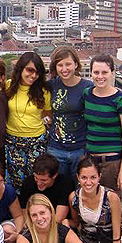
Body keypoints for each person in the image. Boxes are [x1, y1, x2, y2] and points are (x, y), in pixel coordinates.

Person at [83, 54, 122, 191]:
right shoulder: (87, 94)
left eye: (104, 72)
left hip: (111, 163)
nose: (100, 76)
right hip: (90, 161)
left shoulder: (121, 100)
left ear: (112, 73)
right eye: (96, 72)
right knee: (89, 202)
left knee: (110, 204)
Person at [4, 52, 52, 193]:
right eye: (30, 70)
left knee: (36, 181)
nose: (33, 75)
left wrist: (45, 122)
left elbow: (48, 114)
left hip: (36, 142)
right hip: (13, 142)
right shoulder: (9, 86)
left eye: (37, 72)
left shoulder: (44, 91)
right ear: (21, 69)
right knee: (15, 182)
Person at [47, 46, 94, 182]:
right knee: (58, 188)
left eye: (68, 64)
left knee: (80, 188)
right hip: (55, 147)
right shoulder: (51, 86)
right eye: (60, 65)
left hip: (79, 148)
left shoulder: (87, 87)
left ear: (76, 64)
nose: (64, 69)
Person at [66, 156, 121, 243]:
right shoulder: (74, 197)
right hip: (85, 242)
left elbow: (117, 235)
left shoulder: (111, 197)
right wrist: (66, 222)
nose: (88, 182)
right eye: (84, 178)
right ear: (78, 177)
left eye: (93, 177)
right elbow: (76, 222)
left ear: (99, 177)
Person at [16, 194, 94, 243]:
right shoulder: (24, 237)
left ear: (50, 211)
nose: (39, 218)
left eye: (42, 213)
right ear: (30, 218)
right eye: (34, 215)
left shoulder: (62, 231)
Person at [18, 154, 74, 223]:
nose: (39, 183)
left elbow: (59, 218)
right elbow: (24, 211)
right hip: (34, 223)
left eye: (43, 180)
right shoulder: (28, 183)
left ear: (54, 175)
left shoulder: (65, 183)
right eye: (36, 178)